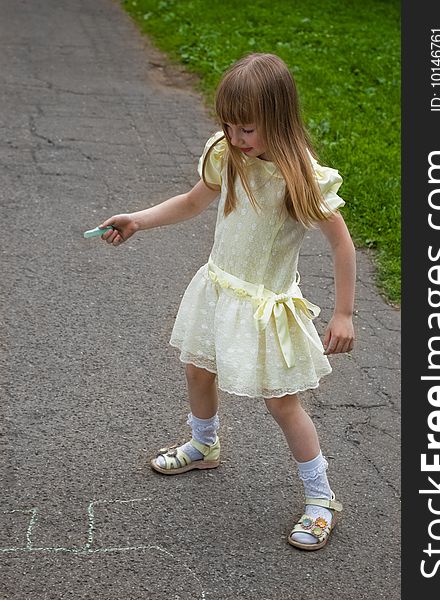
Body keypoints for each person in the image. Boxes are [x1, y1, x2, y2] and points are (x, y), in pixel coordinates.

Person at [98, 53, 356, 551]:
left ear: (278, 119)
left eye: (247, 128)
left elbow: (342, 245)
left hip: (265, 305)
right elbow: (194, 201)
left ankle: (321, 498)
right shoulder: (226, 154)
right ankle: (204, 443)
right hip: (219, 289)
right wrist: (138, 219)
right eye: (229, 125)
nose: (236, 137)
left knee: (282, 403)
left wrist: (344, 312)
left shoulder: (301, 177)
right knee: (197, 369)